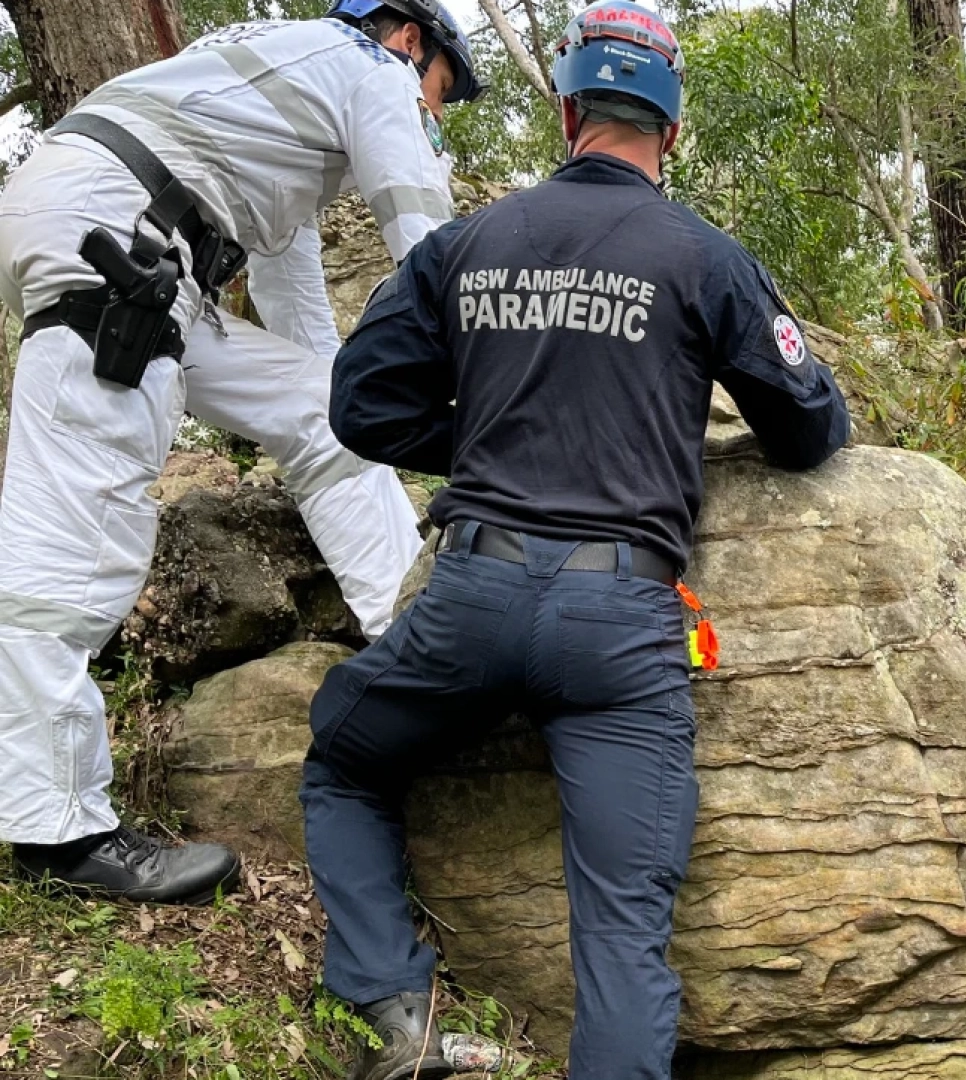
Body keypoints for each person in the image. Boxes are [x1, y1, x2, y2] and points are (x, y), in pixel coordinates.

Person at [298, 3, 850, 1077]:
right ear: (672, 133)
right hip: (620, 631)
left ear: (565, 113)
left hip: (470, 599)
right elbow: (807, 430)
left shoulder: (468, 242)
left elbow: (361, 404)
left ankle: (391, 1008)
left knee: (343, 760)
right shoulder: (704, 255)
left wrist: (488, 435)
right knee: (622, 942)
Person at [0, 0, 485, 904]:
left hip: (131, 231)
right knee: (82, 536)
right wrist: (494, 393)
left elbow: (302, 317)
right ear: (408, 38)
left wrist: (369, 409)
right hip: (120, 237)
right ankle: (59, 832)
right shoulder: (368, 68)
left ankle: (402, 624)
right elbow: (430, 242)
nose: (433, 113)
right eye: (442, 92)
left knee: (317, 406)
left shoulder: (284, 93)